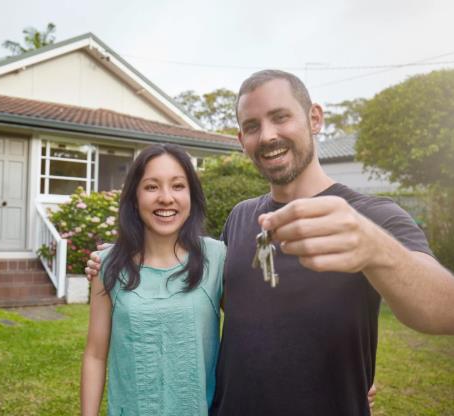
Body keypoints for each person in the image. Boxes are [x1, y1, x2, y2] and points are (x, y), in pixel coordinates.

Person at [87, 70, 454, 415]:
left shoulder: (373, 216)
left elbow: (444, 310)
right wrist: (115, 260)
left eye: (281, 117)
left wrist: (377, 249)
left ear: (314, 118)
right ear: (241, 140)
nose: (267, 136)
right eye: (252, 126)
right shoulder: (241, 218)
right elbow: (236, 308)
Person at [81, 144, 226, 415]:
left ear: (192, 195)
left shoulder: (217, 258)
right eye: (151, 187)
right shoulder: (107, 264)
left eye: (178, 186)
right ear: (134, 198)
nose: (166, 198)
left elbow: (252, 331)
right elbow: (95, 355)